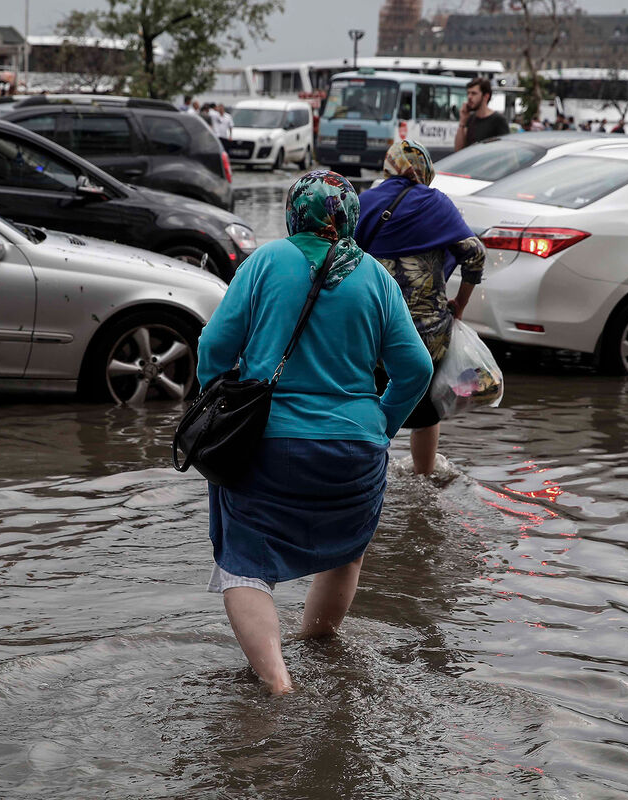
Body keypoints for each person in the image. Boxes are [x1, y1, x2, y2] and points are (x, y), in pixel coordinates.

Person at [197, 170, 433, 695]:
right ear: (349, 216)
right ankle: (319, 650)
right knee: (345, 547)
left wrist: (219, 409)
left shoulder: (265, 262)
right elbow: (415, 369)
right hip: (356, 450)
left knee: (244, 565)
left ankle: (278, 681)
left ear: (292, 212)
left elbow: (213, 348)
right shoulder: (375, 276)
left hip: (265, 442)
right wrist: (381, 426)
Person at [356, 139, 486, 477]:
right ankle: (424, 480)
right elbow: (475, 253)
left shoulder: (364, 202)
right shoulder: (436, 204)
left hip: (371, 329)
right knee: (424, 409)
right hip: (426, 333)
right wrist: (461, 303)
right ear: (426, 170)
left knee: (365, 401)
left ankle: (367, 478)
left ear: (388, 167)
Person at [454, 76, 509, 151]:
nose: (469, 97)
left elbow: (506, 150)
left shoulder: (498, 120)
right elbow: (458, 150)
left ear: (486, 96)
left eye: (474, 93)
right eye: (468, 93)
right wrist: (462, 122)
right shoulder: (470, 119)